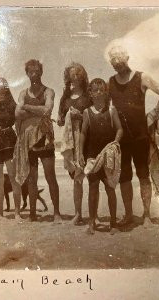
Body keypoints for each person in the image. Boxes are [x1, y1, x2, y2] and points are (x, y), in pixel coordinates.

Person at [107, 45, 159, 227]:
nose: (118, 66)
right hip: (120, 137)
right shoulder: (110, 82)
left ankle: (147, 215)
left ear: (127, 59)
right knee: (124, 177)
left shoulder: (141, 77)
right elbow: (103, 104)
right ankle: (128, 215)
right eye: (115, 64)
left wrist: (154, 113)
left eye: (120, 62)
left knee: (143, 175)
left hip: (140, 136)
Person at [14, 59, 62, 223]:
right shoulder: (23, 93)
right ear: (27, 73)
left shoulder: (48, 91)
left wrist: (26, 107)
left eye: (36, 71)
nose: (33, 74)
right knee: (32, 178)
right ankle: (33, 214)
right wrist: (37, 111)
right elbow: (17, 114)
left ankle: (56, 213)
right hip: (28, 140)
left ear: (41, 72)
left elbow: (47, 110)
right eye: (30, 72)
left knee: (50, 176)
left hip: (44, 138)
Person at [80, 78, 123, 235]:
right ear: (90, 94)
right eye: (95, 90)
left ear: (106, 92)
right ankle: (91, 222)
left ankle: (113, 223)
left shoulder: (112, 110)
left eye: (101, 89)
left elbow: (119, 129)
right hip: (92, 155)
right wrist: (79, 152)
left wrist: (115, 143)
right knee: (92, 188)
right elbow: (83, 133)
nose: (98, 92)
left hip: (108, 154)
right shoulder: (87, 112)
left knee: (110, 187)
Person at [57, 62, 92, 225]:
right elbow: (60, 120)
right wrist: (63, 119)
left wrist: (81, 115)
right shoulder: (65, 97)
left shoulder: (88, 95)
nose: (75, 76)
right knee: (77, 178)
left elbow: (96, 115)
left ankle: (93, 214)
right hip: (71, 141)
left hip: (88, 138)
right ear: (68, 76)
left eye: (78, 73)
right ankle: (78, 213)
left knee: (92, 176)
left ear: (83, 75)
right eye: (72, 74)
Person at [0, 77, 22, 221]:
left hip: (10, 142)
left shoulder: (13, 105)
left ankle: (17, 213)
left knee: (14, 178)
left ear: (6, 89)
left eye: (2, 87)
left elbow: (19, 126)